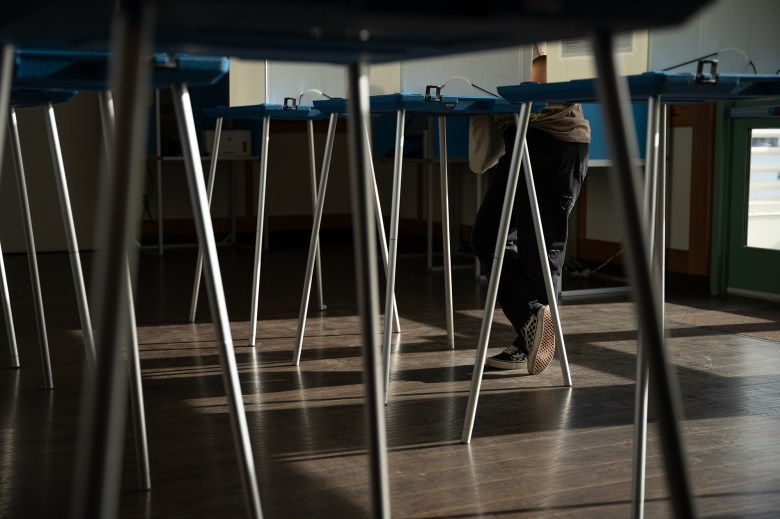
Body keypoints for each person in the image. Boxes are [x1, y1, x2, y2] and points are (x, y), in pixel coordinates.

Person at [469, 42, 590, 374]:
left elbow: (544, 74)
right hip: (524, 140)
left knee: (538, 254)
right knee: (489, 237)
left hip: (552, 141)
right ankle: (530, 321)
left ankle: (530, 332)